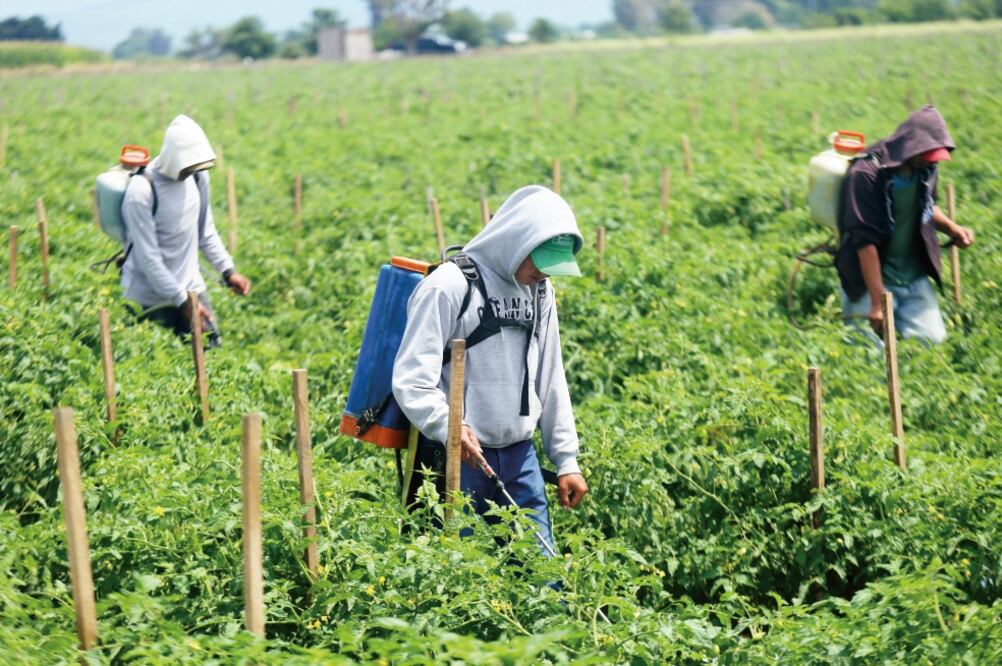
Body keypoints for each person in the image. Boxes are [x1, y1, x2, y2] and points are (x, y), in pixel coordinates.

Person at [392, 185, 589, 554]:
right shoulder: (449, 285)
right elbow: (411, 380)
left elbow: (551, 376)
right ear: (518, 242)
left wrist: (566, 461)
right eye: (539, 263)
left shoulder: (540, 292)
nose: (544, 275)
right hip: (456, 457)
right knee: (455, 578)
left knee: (540, 577)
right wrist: (449, 425)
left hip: (519, 458)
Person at [836, 106, 974, 345]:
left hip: (911, 274)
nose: (930, 163)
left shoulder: (925, 168)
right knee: (867, 354)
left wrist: (952, 228)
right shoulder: (867, 172)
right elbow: (864, 241)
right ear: (912, 145)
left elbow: (928, 206)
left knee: (931, 343)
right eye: (927, 156)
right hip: (869, 279)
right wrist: (878, 303)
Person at [121, 115, 251, 347]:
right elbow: (149, 259)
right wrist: (184, 302)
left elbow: (205, 231)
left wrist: (228, 271)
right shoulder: (142, 190)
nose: (190, 172)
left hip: (191, 291)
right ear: (173, 158)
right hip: (150, 300)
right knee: (155, 366)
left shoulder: (198, 176)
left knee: (209, 357)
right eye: (187, 167)